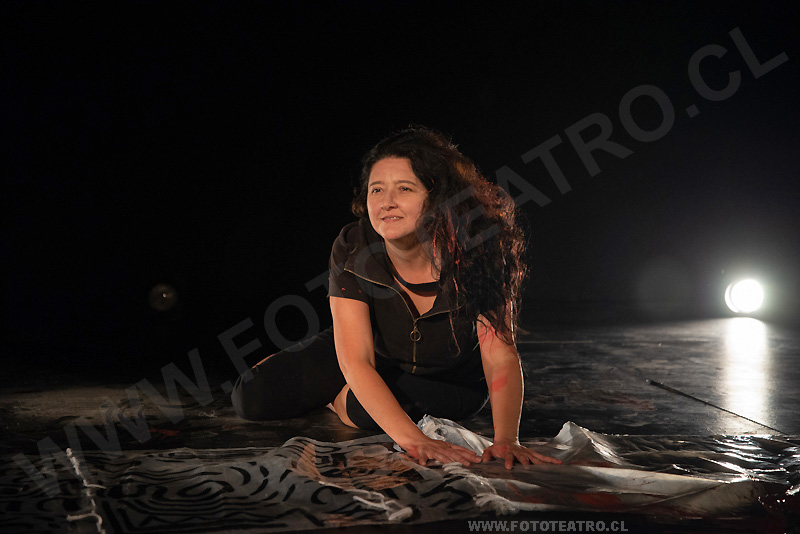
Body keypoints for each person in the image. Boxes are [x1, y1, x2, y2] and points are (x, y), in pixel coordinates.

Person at [232, 126, 560, 469]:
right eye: (377, 189)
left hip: (448, 378)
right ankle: (341, 392)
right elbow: (357, 359)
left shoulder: (479, 249)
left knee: (363, 410)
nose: (386, 202)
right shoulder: (353, 245)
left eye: (404, 188)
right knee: (252, 397)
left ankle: (344, 398)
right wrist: (415, 440)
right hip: (374, 351)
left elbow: (500, 357)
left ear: (437, 197)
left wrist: (507, 439)